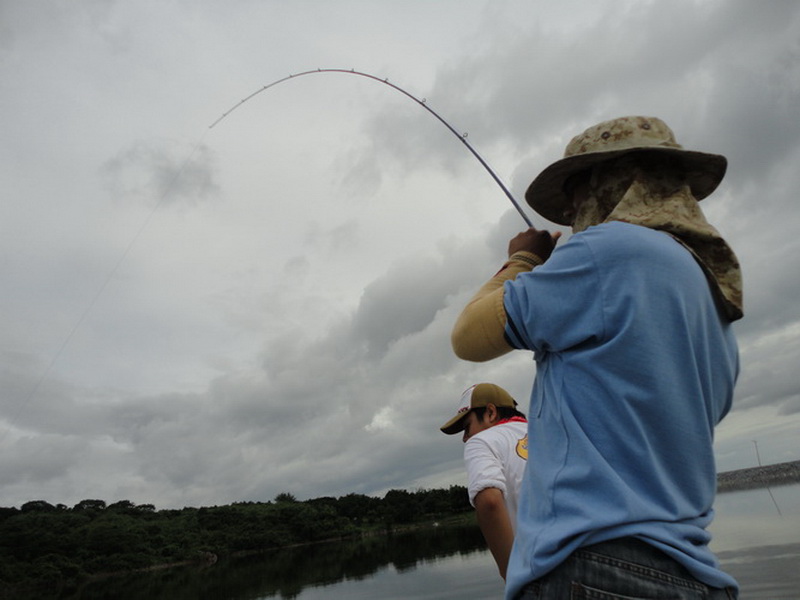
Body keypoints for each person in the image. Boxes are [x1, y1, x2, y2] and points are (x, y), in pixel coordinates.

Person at [450, 116, 743, 599]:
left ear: (613, 182)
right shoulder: (714, 298)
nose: (570, 210)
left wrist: (522, 260)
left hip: (594, 568)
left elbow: (468, 336)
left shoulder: (609, 252)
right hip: (695, 576)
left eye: (578, 191)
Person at [440, 382, 528, 580]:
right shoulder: (547, 430)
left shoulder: (481, 441)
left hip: (545, 570)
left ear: (490, 413)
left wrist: (512, 576)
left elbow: (489, 501)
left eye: (467, 427)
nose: (465, 438)